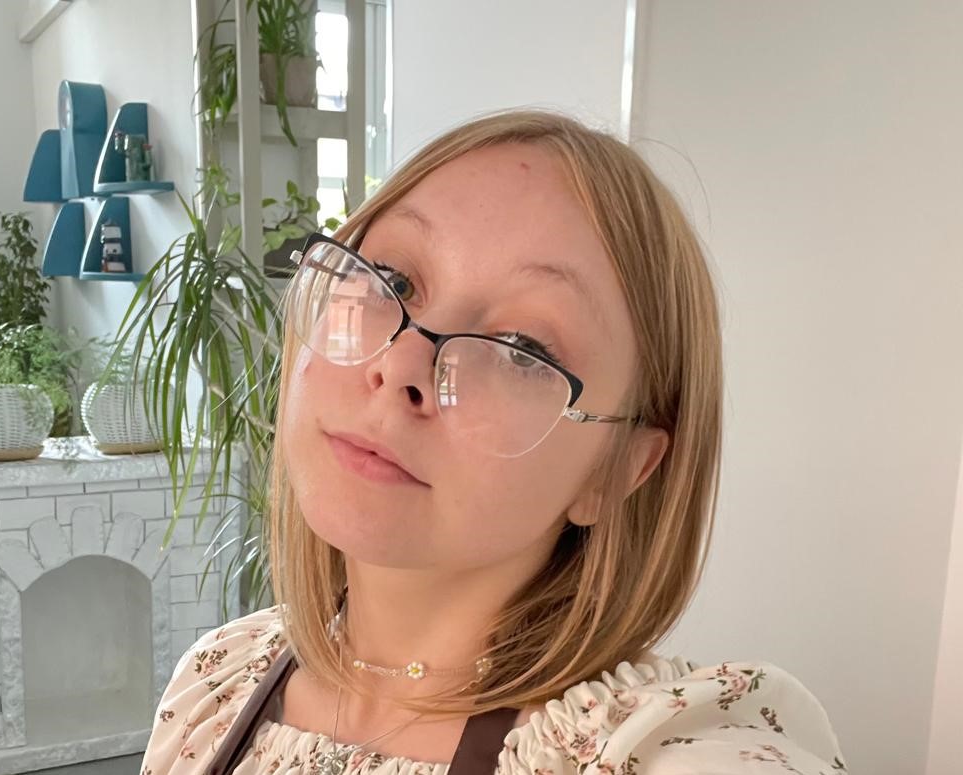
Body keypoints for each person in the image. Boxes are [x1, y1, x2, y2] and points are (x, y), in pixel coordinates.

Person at [139, 110, 848, 774]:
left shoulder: (653, 748)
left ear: (617, 471)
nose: (402, 363)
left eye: (521, 346)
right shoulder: (218, 679)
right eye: (391, 279)